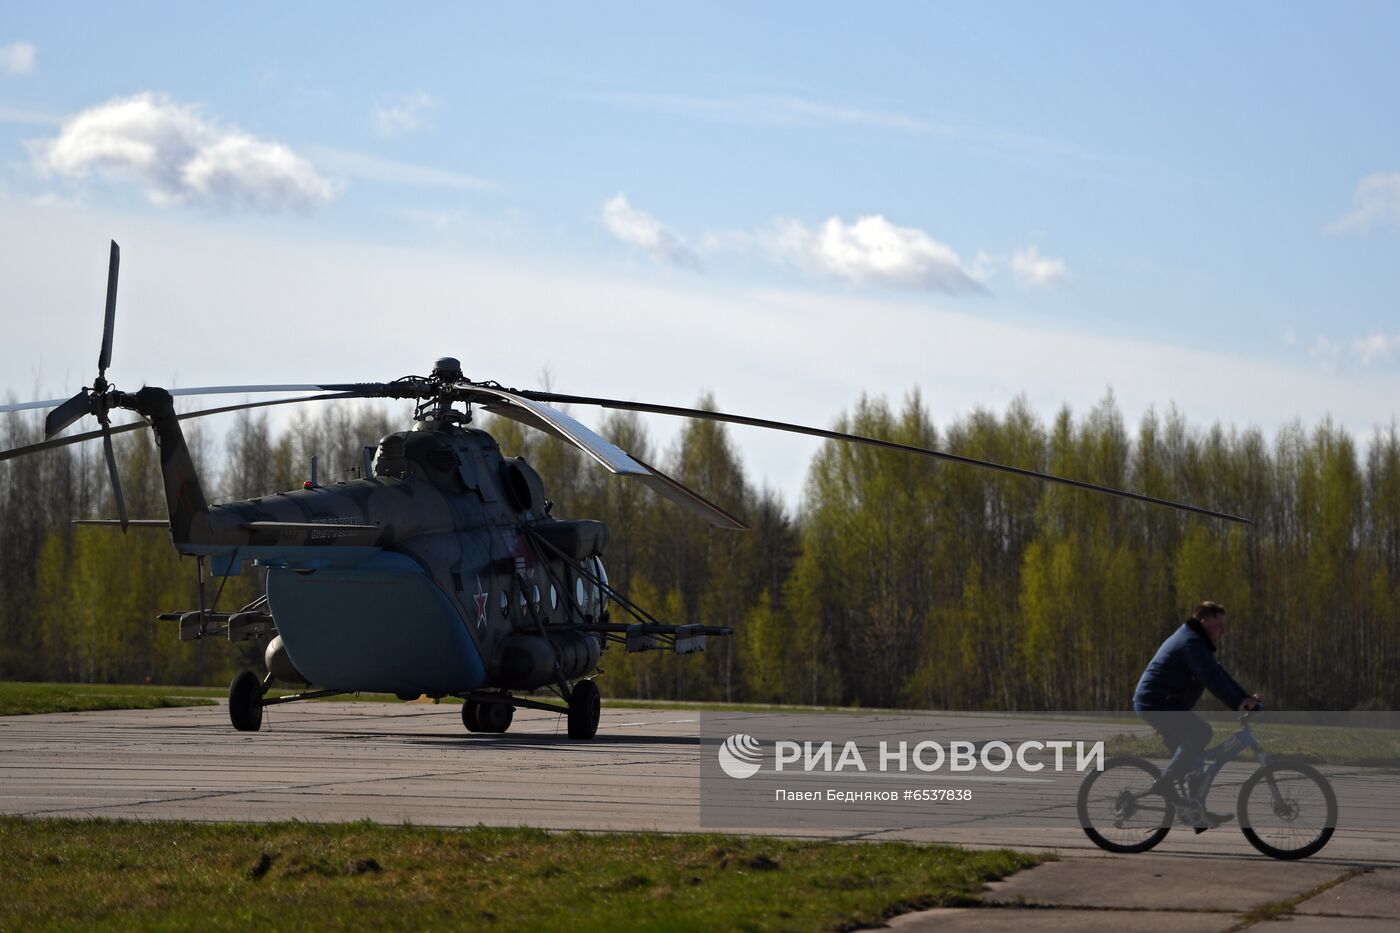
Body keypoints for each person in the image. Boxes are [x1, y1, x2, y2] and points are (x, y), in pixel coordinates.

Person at [1133, 601, 1263, 830]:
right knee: (1202, 731)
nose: (1223, 631)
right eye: (1219, 625)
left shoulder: (1196, 643)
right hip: (1156, 702)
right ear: (1204, 621)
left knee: (1195, 759)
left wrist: (1245, 698)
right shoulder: (1191, 643)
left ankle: (1195, 811)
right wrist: (1238, 703)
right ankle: (1163, 784)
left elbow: (1219, 674)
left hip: (1165, 703)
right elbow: (1211, 680)